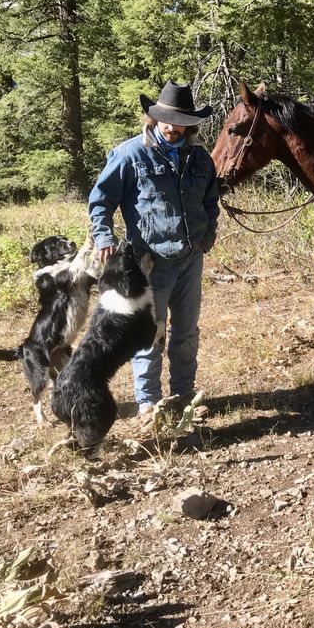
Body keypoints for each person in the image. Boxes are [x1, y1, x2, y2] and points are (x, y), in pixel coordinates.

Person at [89, 81, 219, 415]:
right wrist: (104, 238)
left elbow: (210, 200)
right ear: (154, 119)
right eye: (168, 121)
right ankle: (149, 402)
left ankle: (184, 395)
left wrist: (208, 235)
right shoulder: (129, 155)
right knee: (150, 334)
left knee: (187, 331)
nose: (174, 128)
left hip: (191, 257)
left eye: (182, 123)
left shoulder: (200, 158)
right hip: (149, 262)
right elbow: (100, 202)